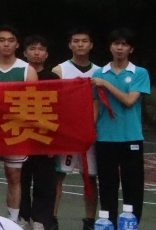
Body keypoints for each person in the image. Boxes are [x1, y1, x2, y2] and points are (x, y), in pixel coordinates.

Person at [90, 28, 148, 224]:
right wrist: (89, 130)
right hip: (105, 138)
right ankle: (109, 224)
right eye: (116, 44)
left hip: (131, 138)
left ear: (131, 49)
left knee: (133, 186)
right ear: (110, 47)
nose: (120, 48)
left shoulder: (139, 73)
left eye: (124, 44)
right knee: (107, 185)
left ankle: (132, 225)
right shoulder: (99, 73)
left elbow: (129, 101)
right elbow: (95, 106)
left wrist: (106, 84)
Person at [0, 25, 36, 222]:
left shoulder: (27, 70)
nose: (6, 44)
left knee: (14, 177)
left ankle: (12, 221)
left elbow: (33, 104)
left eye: (10, 40)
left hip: (16, 132)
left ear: (17, 44)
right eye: (2, 40)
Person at [50, 28, 99, 230]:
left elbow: (97, 104)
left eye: (84, 41)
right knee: (58, 177)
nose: (80, 44)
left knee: (90, 178)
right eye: (76, 41)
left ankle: (90, 220)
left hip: (89, 134)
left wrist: (87, 129)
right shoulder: (59, 70)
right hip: (67, 134)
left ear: (91, 45)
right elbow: (54, 103)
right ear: (70, 45)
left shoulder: (100, 72)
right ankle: (52, 219)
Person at [18, 35, 58, 230]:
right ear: (25, 53)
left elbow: (58, 110)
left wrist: (54, 140)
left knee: (45, 181)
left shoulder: (53, 79)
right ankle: (22, 216)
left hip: (44, 137)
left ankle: (41, 220)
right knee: (20, 179)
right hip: (20, 135)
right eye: (32, 48)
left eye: (41, 49)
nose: (36, 52)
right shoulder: (20, 74)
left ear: (46, 54)